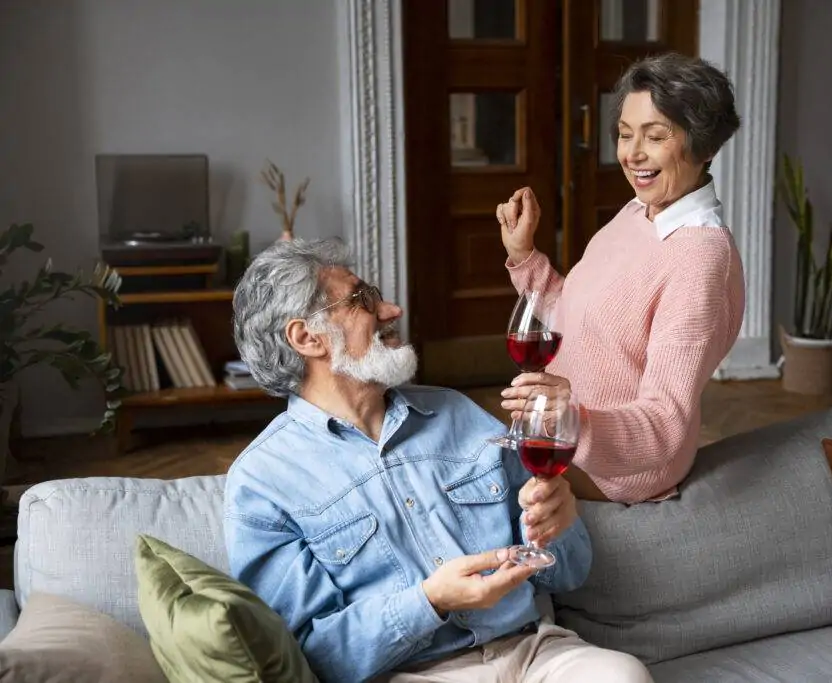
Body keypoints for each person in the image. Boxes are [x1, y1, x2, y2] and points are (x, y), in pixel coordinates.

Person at [224, 237, 653, 683]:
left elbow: (569, 572)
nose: (392, 311)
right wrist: (430, 602)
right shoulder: (261, 482)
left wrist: (559, 528)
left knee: (623, 674)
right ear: (307, 337)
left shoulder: (459, 414)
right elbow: (310, 654)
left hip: (530, 650)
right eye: (363, 300)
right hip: (410, 673)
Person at [496, 52, 745, 505]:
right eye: (625, 134)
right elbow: (576, 315)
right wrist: (524, 255)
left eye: (655, 136)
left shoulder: (700, 259)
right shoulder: (636, 213)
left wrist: (574, 420)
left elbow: (665, 424)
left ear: (706, 146)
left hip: (622, 469)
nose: (632, 154)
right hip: (562, 431)